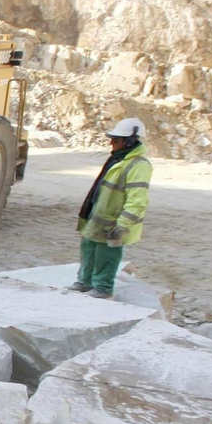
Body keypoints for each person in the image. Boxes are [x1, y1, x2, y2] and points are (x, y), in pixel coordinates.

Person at [72, 118, 152, 299]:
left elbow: (137, 200)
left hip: (114, 221)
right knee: (88, 248)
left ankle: (103, 288)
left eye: (116, 140)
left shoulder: (138, 165)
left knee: (106, 254)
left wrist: (123, 225)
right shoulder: (118, 159)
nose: (111, 143)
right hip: (100, 217)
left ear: (130, 141)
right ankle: (85, 282)